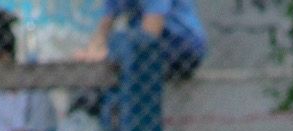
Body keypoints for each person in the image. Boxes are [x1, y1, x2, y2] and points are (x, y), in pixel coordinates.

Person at [76, 0, 206, 80]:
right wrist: (90, 53)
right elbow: (104, 29)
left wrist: (108, 56)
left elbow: (150, 33)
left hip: (181, 47)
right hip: (149, 51)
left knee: (123, 52)